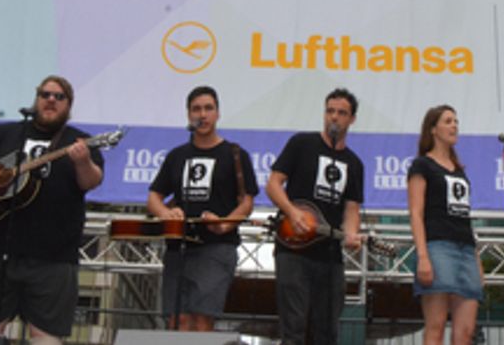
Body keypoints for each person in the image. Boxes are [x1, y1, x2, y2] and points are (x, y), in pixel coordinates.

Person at [0, 75, 104, 345]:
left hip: (54, 257)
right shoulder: (8, 133)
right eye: (45, 94)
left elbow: (91, 181)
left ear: (69, 106)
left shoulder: (79, 141)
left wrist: (83, 162)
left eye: (59, 97)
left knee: (45, 337)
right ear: (36, 99)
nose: (50, 100)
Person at [146, 85, 257, 331]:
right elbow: (154, 196)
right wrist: (167, 214)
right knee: (177, 320)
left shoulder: (235, 154)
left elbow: (247, 202)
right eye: (196, 109)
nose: (202, 115)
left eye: (208, 108)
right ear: (188, 115)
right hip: (178, 247)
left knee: (202, 319)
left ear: (218, 114)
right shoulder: (177, 155)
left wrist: (225, 223)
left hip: (216, 247)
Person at [266, 87, 365, 345]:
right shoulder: (302, 143)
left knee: (327, 332)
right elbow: (273, 184)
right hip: (293, 249)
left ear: (351, 119)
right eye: (330, 111)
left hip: (330, 256)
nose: (334, 117)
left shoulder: (355, 164)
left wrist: (352, 234)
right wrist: (291, 211)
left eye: (342, 113)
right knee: (294, 329)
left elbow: (351, 209)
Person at [407, 105, 482, 345]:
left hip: (466, 251)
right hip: (437, 247)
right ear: (433, 129)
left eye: (456, 121)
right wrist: (423, 256)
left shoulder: (460, 170)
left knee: (466, 332)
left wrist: (477, 258)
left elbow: (465, 217)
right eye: (448, 121)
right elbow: (416, 213)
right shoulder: (422, 165)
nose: (454, 125)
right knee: (436, 326)